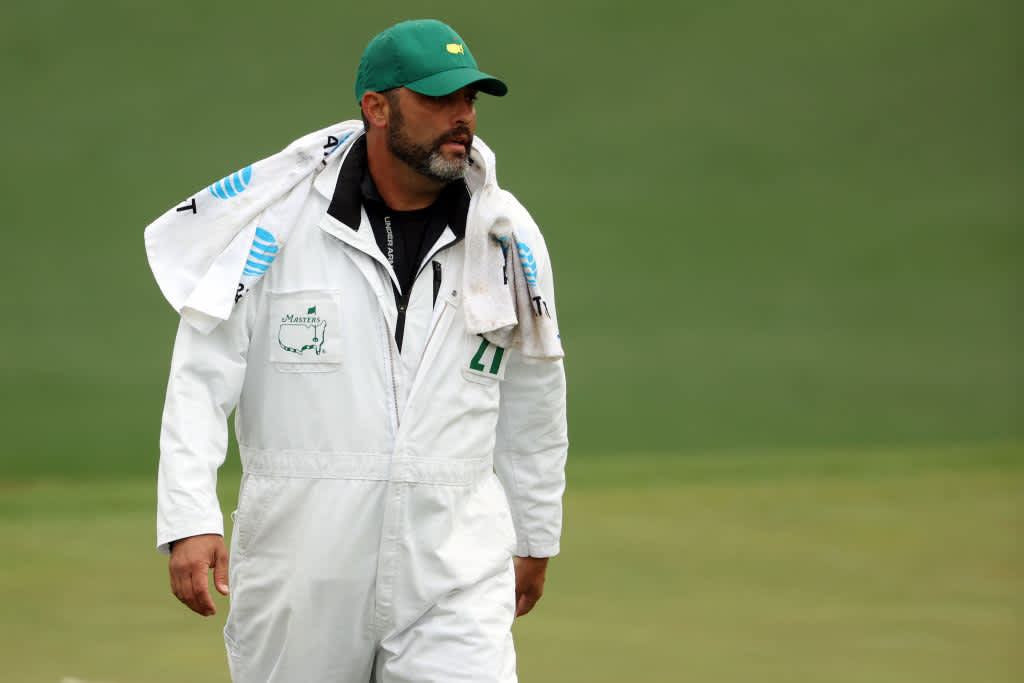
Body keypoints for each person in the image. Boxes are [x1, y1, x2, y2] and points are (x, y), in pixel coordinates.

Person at [150, 18, 568, 683]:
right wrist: (189, 514)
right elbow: (202, 371)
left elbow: (535, 387)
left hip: (455, 564)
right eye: (439, 99)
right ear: (377, 108)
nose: (462, 117)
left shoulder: (506, 233)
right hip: (300, 564)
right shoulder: (279, 225)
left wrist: (535, 531)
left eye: (470, 100)